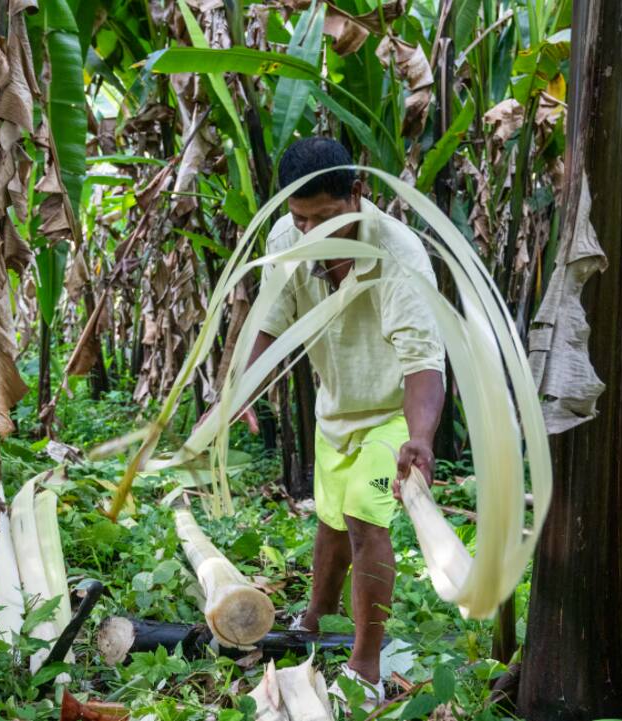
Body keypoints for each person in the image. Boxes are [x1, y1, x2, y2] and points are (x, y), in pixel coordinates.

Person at [240, 137, 445, 707]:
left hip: (390, 416)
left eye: (326, 218)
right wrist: (239, 392)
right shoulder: (289, 239)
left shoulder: (397, 254)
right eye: (300, 218)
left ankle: (366, 664)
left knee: (363, 521)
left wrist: (419, 438)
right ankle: (313, 622)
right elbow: (269, 325)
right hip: (337, 409)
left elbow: (423, 362)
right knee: (330, 522)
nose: (312, 234)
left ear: (357, 195)